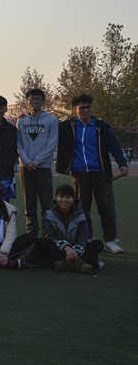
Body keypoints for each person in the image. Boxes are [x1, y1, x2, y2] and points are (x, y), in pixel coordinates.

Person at [56, 94, 129, 254]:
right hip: (79, 174)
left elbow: (115, 145)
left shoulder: (101, 126)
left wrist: (122, 163)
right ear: (75, 109)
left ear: (92, 108)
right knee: (83, 209)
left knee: (106, 208)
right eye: (81, 108)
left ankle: (110, 240)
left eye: (87, 107)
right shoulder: (68, 126)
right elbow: (52, 133)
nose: (84, 110)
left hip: (101, 173)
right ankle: (87, 238)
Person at [29, 184, 104, 274]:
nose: (64, 200)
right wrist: (67, 248)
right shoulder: (48, 214)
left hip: (76, 249)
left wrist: (75, 251)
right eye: (61, 197)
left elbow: (83, 237)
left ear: (73, 199)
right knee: (42, 242)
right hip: (59, 248)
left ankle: (64, 263)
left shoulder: (81, 215)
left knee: (98, 244)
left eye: (68, 197)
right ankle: (79, 263)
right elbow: (50, 236)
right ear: (56, 198)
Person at [17, 88, 58, 238]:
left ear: (43, 101)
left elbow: (52, 143)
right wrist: (27, 161)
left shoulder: (51, 120)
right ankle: (31, 235)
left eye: (38, 99)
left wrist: (37, 161)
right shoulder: (21, 120)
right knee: (29, 204)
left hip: (43, 167)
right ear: (27, 102)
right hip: (25, 167)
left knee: (47, 203)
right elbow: (18, 144)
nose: (35, 102)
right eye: (32, 99)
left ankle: (48, 235)